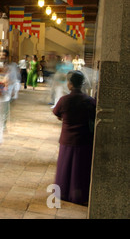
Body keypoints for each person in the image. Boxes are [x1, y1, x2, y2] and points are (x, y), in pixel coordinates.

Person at [53, 71, 96, 206]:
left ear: (70, 84)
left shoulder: (64, 100)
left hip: (67, 138)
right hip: (84, 139)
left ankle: (63, 193)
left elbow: (57, 113)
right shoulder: (89, 100)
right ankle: (78, 195)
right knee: (80, 169)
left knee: (65, 167)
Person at [0, 49, 18, 131]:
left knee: (5, 108)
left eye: (4, 55)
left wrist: (13, 90)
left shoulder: (12, 66)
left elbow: (14, 79)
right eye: (0, 55)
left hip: (7, 90)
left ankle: (3, 124)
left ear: (7, 57)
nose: (2, 57)